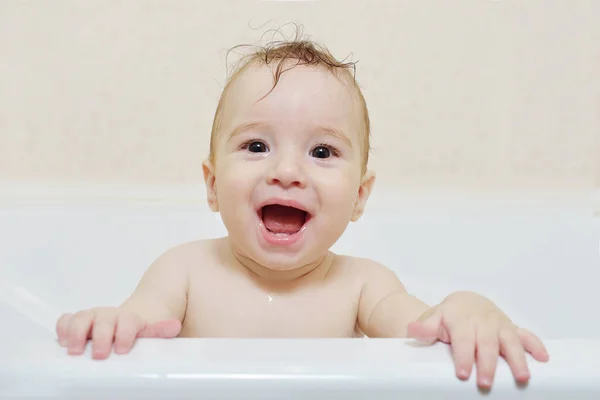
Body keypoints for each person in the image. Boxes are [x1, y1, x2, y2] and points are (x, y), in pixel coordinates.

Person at [55, 35, 549, 390]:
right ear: (211, 185)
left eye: (321, 152)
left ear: (359, 196)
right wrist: (113, 323)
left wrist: (466, 308)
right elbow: (139, 324)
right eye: (256, 145)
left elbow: (421, 328)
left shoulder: (363, 286)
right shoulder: (183, 272)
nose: (287, 171)